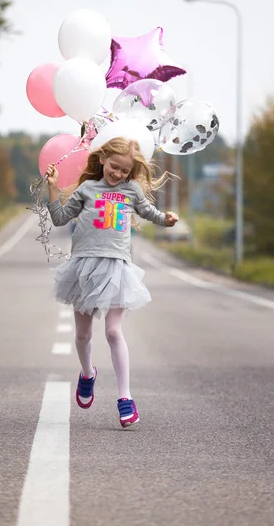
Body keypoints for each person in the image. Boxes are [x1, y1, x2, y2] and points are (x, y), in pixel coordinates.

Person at [46, 137, 178, 428]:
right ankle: (87, 373)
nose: (118, 174)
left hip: (117, 267)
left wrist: (166, 220)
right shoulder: (87, 189)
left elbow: (148, 212)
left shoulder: (131, 191)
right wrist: (53, 187)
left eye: (125, 171)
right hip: (84, 267)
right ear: (103, 159)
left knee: (114, 332)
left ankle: (125, 398)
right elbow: (58, 218)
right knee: (83, 336)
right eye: (114, 167)